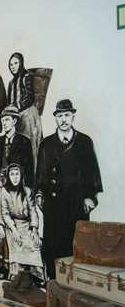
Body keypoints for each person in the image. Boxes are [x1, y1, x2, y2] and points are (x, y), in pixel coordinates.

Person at [35, 99, 102, 280]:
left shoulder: (84, 143)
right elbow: (41, 174)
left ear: (73, 116)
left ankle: (76, 283)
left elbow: (92, 172)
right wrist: (40, 194)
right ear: (55, 119)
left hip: (76, 205)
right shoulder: (46, 144)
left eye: (67, 115)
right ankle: (53, 281)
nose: (63, 119)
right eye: (60, 116)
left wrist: (91, 197)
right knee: (53, 244)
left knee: (77, 244)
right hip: (54, 204)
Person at [1, 163, 44, 285]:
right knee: (15, 241)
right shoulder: (4, 191)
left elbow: (33, 211)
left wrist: (34, 229)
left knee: (32, 241)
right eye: (12, 174)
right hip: (13, 224)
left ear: (21, 176)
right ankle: (16, 274)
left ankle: (35, 274)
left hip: (26, 223)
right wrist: (13, 229)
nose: (15, 177)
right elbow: (5, 213)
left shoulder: (27, 191)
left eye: (17, 174)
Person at [7, 52, 43, 165]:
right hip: (16, 117)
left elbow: (29, 98)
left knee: (30, 144)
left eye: (16, 63)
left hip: (27, 116)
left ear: (21, 63)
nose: (13, 66)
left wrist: (17, 106)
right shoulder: (11, 83)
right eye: (11, 64)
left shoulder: (26, 77)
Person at [0, 106, 34, 187]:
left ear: (14, 121)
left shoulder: (24, 142)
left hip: (17, 186)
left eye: (7, 120)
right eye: (3, 120)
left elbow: (28, 170)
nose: (4, 123)